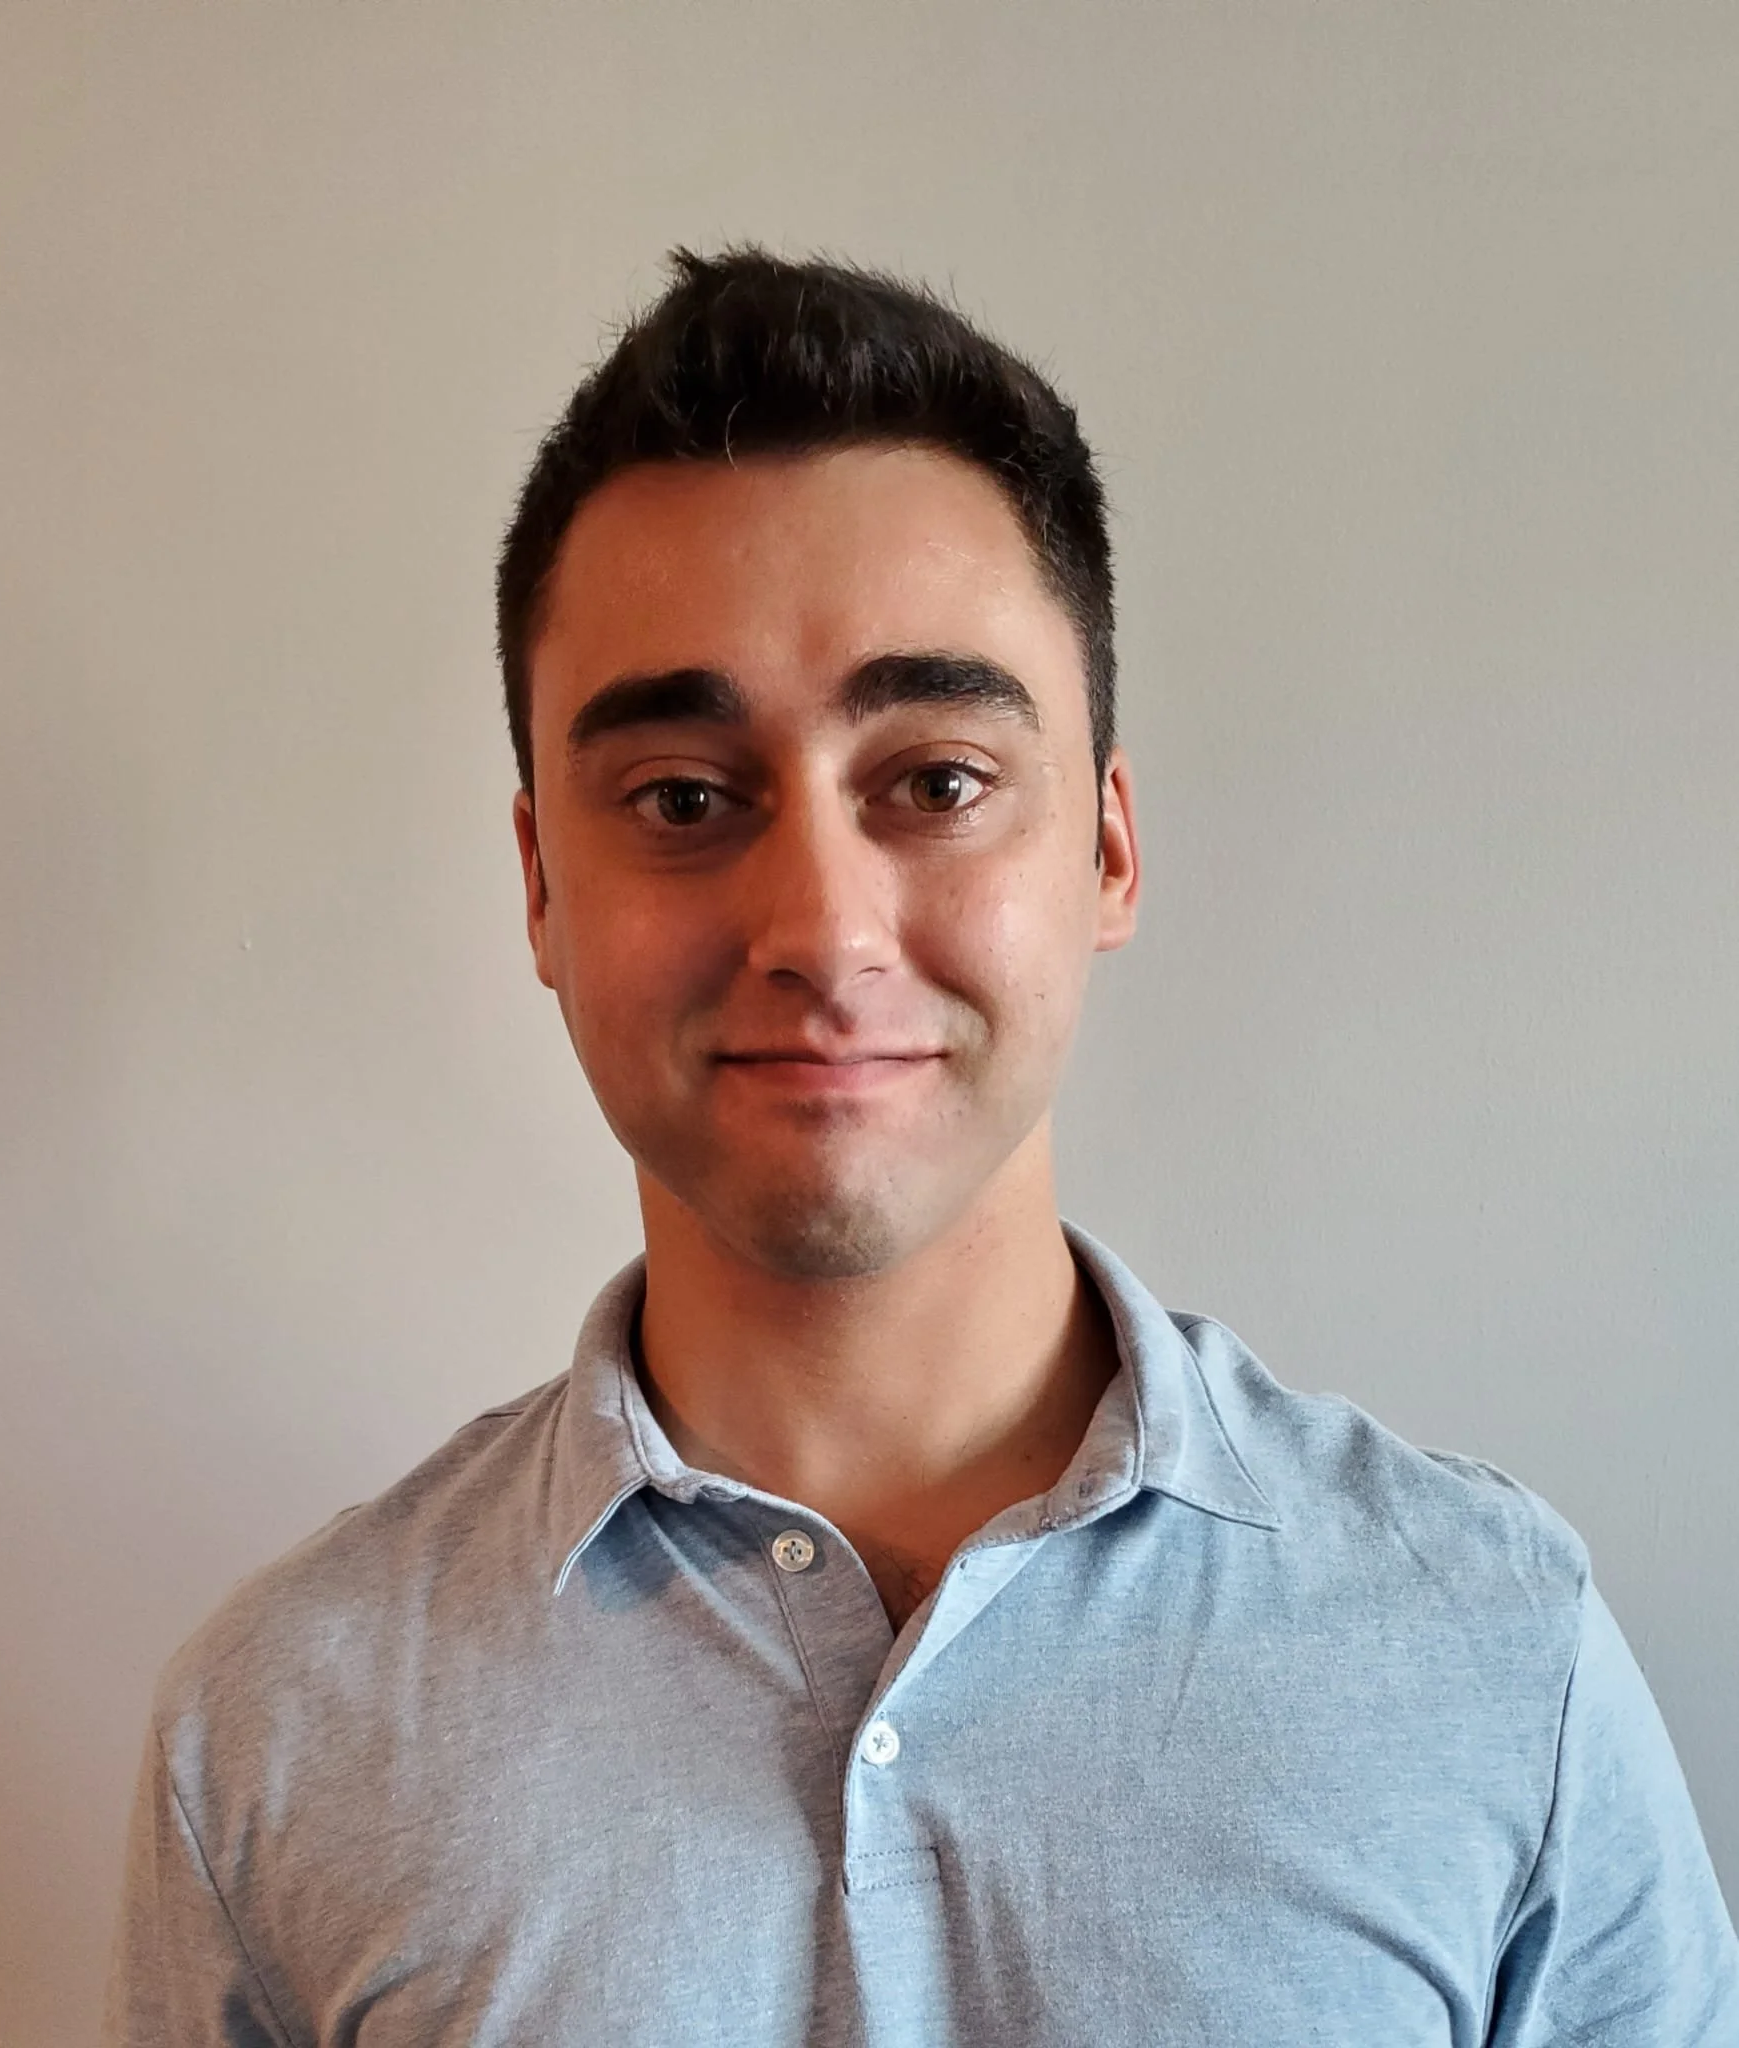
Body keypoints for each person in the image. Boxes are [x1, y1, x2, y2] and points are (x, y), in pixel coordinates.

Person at [104, 247, 1739, 2046]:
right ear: (539, 889)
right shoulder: (276, 1738)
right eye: (681, 799)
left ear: (1106, 851)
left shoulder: (1488, 1653)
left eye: (937, 781)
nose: (818, 923)